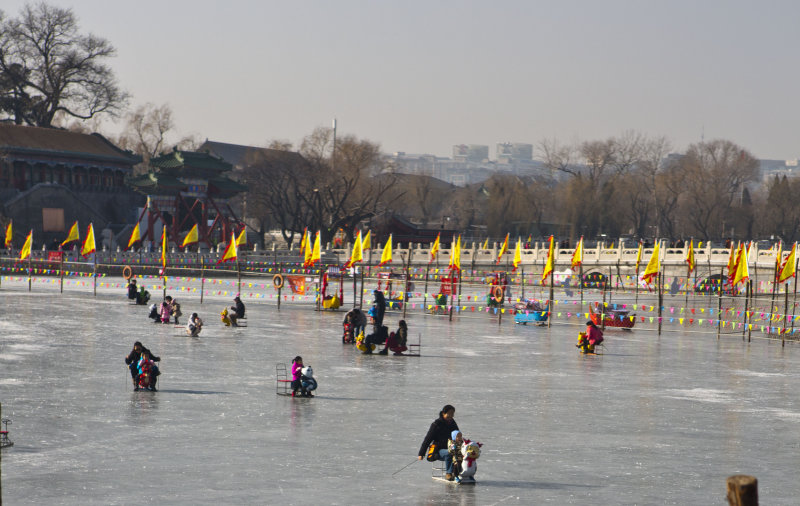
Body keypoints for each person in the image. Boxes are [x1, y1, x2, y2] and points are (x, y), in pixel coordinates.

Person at [418, 405, 460, 480]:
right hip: (438, 450)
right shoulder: (436, 424)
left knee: (460, 453)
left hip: (451, 447)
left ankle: (458, 472)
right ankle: (449, 473)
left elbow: (458, 435)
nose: (451, 415)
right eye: (449, 413)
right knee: (449, 453)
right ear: (444, 413)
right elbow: (427, 439)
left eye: (453, 413)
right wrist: (421, 453)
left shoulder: (452, 423)